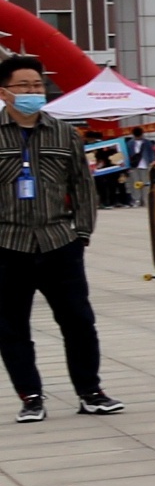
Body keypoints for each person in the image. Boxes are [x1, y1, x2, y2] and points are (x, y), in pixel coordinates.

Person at [0, 57, 113, 422]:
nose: (34, 91)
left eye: (38, 85)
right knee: (11, 327)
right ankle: (31, 397)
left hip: (59, 243)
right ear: (4, 92)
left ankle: (90, 391)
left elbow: (83, 187)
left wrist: (81, 233)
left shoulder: (65, 134)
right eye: (24, 86)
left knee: (79, 321)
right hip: (7, 245)